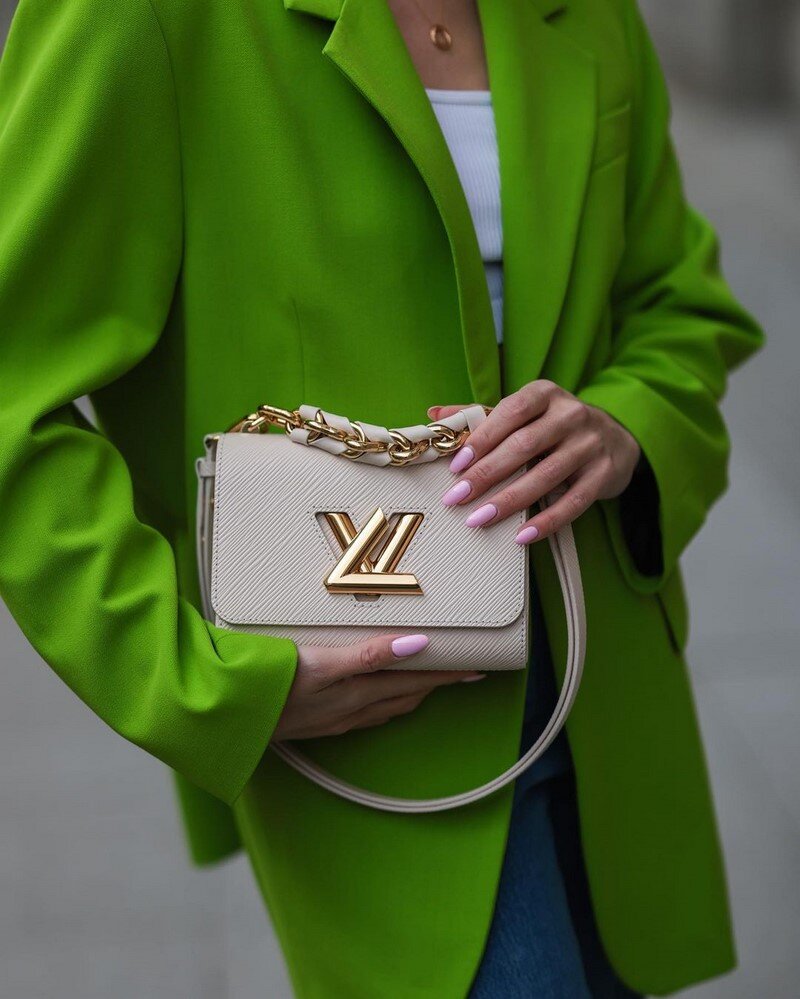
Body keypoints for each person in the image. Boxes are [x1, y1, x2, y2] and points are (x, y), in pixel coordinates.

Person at [0, 0, 763, 996]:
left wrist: (627, 421)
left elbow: (677, 297)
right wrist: (196, 679)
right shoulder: (141, 16)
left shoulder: (590, 13)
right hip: (372, 720)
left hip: (607, 687)